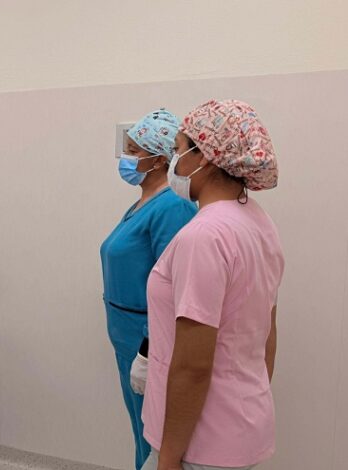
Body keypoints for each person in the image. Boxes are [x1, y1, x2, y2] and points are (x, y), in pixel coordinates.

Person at [141, 100, 284, 470]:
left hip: (200, 446)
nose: (174, 161)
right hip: (240, 428)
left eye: (178, 149)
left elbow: (193, 365)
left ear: (204, 156)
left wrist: (168, 459)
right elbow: (266, 336)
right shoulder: (258, 222)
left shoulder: (204, 237)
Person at [100, 109, 197, 469]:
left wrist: (148, 349)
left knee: (155, 441)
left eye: (134, 151)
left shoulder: (172, 208)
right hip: (127, 339)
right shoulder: (144, 203)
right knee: (141, 435)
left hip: (148, 344)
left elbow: (175, 287)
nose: (126, 159)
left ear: (158, 160)